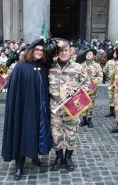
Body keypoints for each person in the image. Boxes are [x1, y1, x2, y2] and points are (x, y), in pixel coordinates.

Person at [2, 39, 52, 180]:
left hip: (40, 108)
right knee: (22, 132)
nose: (39, 52)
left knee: (37, 131)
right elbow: (15, 92)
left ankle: (34, 155)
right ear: (30, 51)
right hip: (23, 109)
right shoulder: (21, 67)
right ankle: (19, 165)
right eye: (37, 50)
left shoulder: (44, 67)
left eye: (42, 51)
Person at [49, 39, 89, 172]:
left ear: (71, 52)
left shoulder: (78, 68)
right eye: (61, 50)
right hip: (55, 108)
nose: (63, 53)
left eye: (66, 50)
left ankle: (68, 157)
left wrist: (78, 96)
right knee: (56, 136)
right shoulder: (51, 67)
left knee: (71, 135)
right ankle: (59, 157)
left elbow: (88, 84)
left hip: (72, 108)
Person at [77, 48, 103, 128]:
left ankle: (89, 120)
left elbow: (100, 77)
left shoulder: (97, 65)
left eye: (90, 54)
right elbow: (77, 76)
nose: (88, 55)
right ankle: (84, 119)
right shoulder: (81, 65)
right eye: (87, 54)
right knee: (83, 103)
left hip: (92, 89)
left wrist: (93, 82)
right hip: (82, 89)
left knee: (90, 104)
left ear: (93, 56)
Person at [103, 47, 118, 117]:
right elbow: (105, 70)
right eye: (114, 53)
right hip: (111, 82)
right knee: (111, 96)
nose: (115, 54)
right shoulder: (109, 62)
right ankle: (111, 111)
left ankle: (116, 111)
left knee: (117, 97)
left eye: (116, 52)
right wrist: (109, 77)